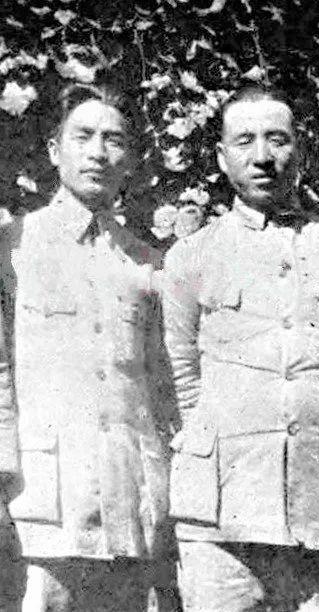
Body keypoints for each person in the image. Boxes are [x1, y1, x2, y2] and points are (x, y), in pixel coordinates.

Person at [162, 85, 319, 611]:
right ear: (221, 157)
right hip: (219, 518)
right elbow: (181, 376)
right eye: (245, 141)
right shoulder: (191, 256)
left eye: (277, 140)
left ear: (301, 150)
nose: (262, 157)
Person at [2, 83, 174, 611]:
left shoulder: (147, 264)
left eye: (114, 140)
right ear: (55, 151)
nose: (98, 152)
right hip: (43, 509)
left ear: (131, 161)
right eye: (83, 136)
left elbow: (164, 389)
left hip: (132, 509)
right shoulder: (14, 249)